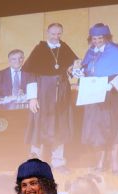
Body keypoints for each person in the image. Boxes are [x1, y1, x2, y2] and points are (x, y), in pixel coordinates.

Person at [78, 23, 118, 174]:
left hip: (113, 96)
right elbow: (86, 71)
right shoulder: (90, 52)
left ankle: (115, 159)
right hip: (95, 96)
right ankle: (101, 160)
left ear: (106, 37)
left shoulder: (116, 51)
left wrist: (112, 86)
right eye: (94, 38)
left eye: (99, 38)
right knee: (98, 128)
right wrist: (80, 76)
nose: (96, 41)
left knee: (114, 126)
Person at [22, 23, 79, 172]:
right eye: (53, 34)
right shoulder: (39, 49)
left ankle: (58, 162)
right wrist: (32, 98)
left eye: (59, 34)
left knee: (60, 126)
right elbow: (31, 74)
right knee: (39, 127)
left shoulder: (64, 47)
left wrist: (73, 69)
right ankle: (36, 164)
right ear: (47, 33)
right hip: (42, 94)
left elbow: (72, 68)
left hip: (61, 94)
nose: (56, 37)